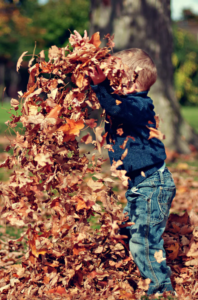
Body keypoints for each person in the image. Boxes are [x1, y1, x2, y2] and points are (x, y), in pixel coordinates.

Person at [88, 48, 177, 297]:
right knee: (128, 230)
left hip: (152, 185)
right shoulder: (127, 103)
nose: (111, 82)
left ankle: (161, 288)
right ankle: (136, 269)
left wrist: (101, 86)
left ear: (130, 79)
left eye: (116, 77)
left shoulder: (139, 105)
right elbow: (110, 103)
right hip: (141, 186)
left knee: (145, 240)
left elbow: (116, 108)